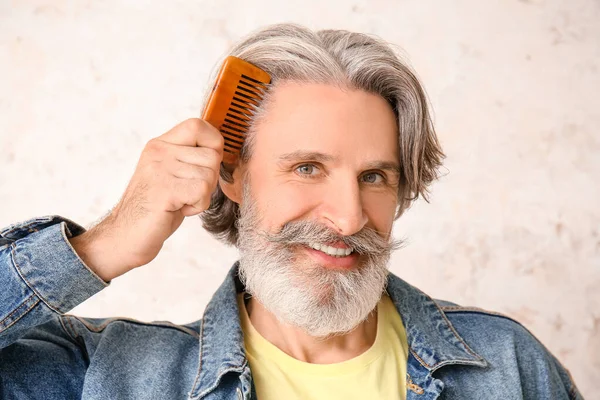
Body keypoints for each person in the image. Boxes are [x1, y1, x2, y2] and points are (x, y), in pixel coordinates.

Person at [0, 23, 582, 400]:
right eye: (307, 168)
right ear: (231, 173)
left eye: (374, 176)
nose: (350, 218)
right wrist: (102, 247)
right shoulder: (109, 376)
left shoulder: (508, 367)